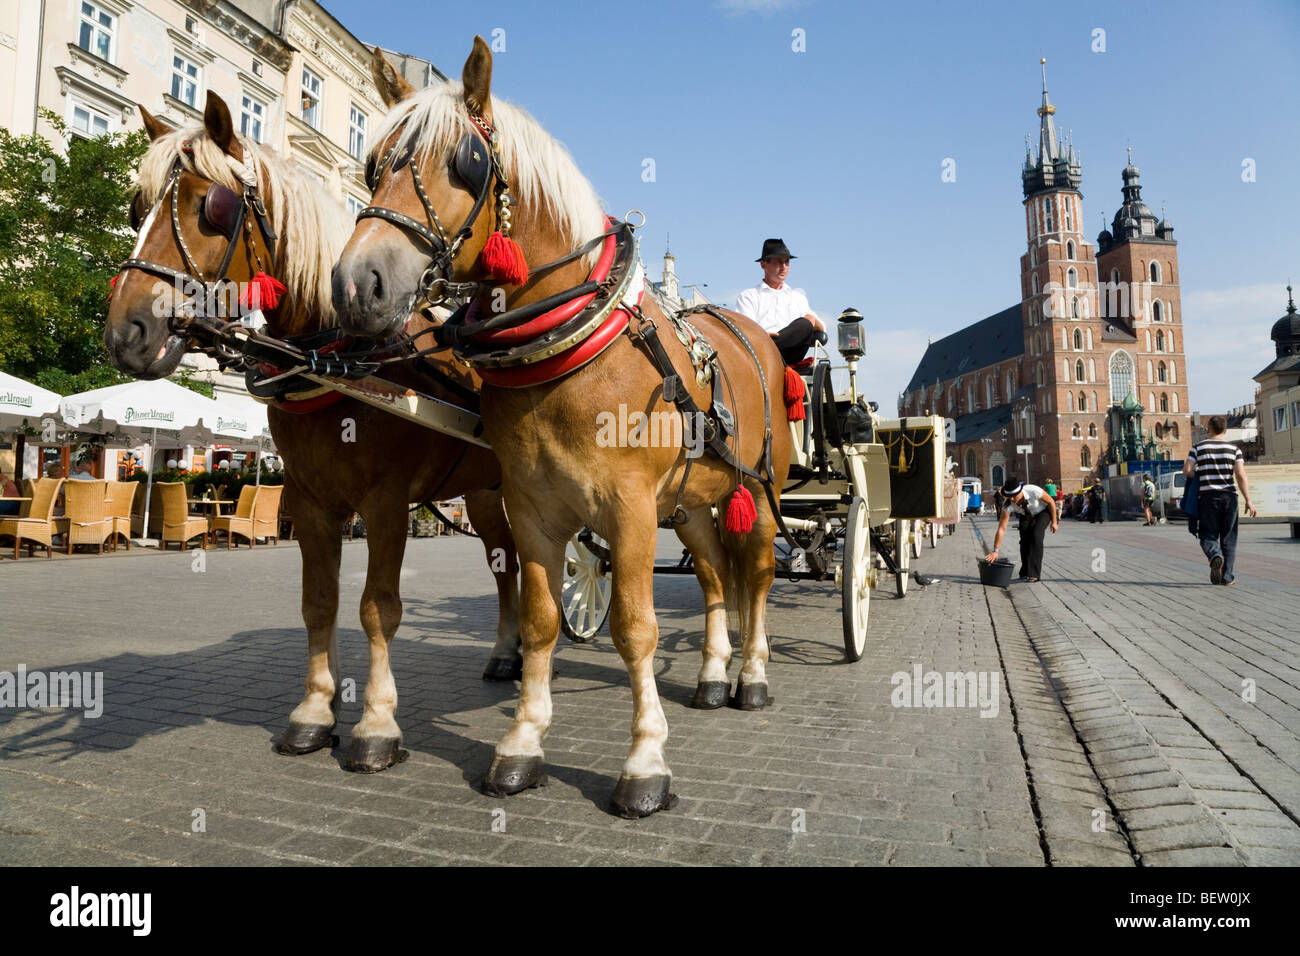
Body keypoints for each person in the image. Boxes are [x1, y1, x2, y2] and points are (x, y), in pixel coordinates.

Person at [1184, 415, 1257, 585]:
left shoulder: (1197, 448)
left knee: (1207, 534)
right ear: (1225, 431)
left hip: (1208, 497)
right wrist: (1248, 499)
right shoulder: (1235, 450)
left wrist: (1199, 476)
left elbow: (1187, 470)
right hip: (1229, 497)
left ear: (1208, 429)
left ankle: (1214, 555)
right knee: (1229, 537)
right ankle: (1226, 577)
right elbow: (1240, 475)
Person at [734, 238, 827, 365]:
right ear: (763, 264)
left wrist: (812, 320)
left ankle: (772, 346)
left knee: (805, 324)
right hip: (761, 349)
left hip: (790, 354)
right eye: (778, 262)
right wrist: (764, 336)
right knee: (754, 336)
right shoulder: (748, 296)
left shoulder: (797, 298)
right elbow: (746, 330)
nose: (783, 267)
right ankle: (770, 346)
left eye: (787, 262)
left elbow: (822, 328)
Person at [986, 477, 1059, 582]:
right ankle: (1025, 571)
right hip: (1026, 514)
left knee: (1036, 534)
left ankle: (1034, 573)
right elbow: (1001, 529)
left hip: (1044, 511)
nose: (1011, 499)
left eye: (1013, 496)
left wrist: (1054, 522)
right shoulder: (1007, 506)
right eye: (1009, 496)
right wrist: (995, 551)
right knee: (1024, 540)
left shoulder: (1033, 490)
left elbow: (1051, 502)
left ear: (1020, 492)